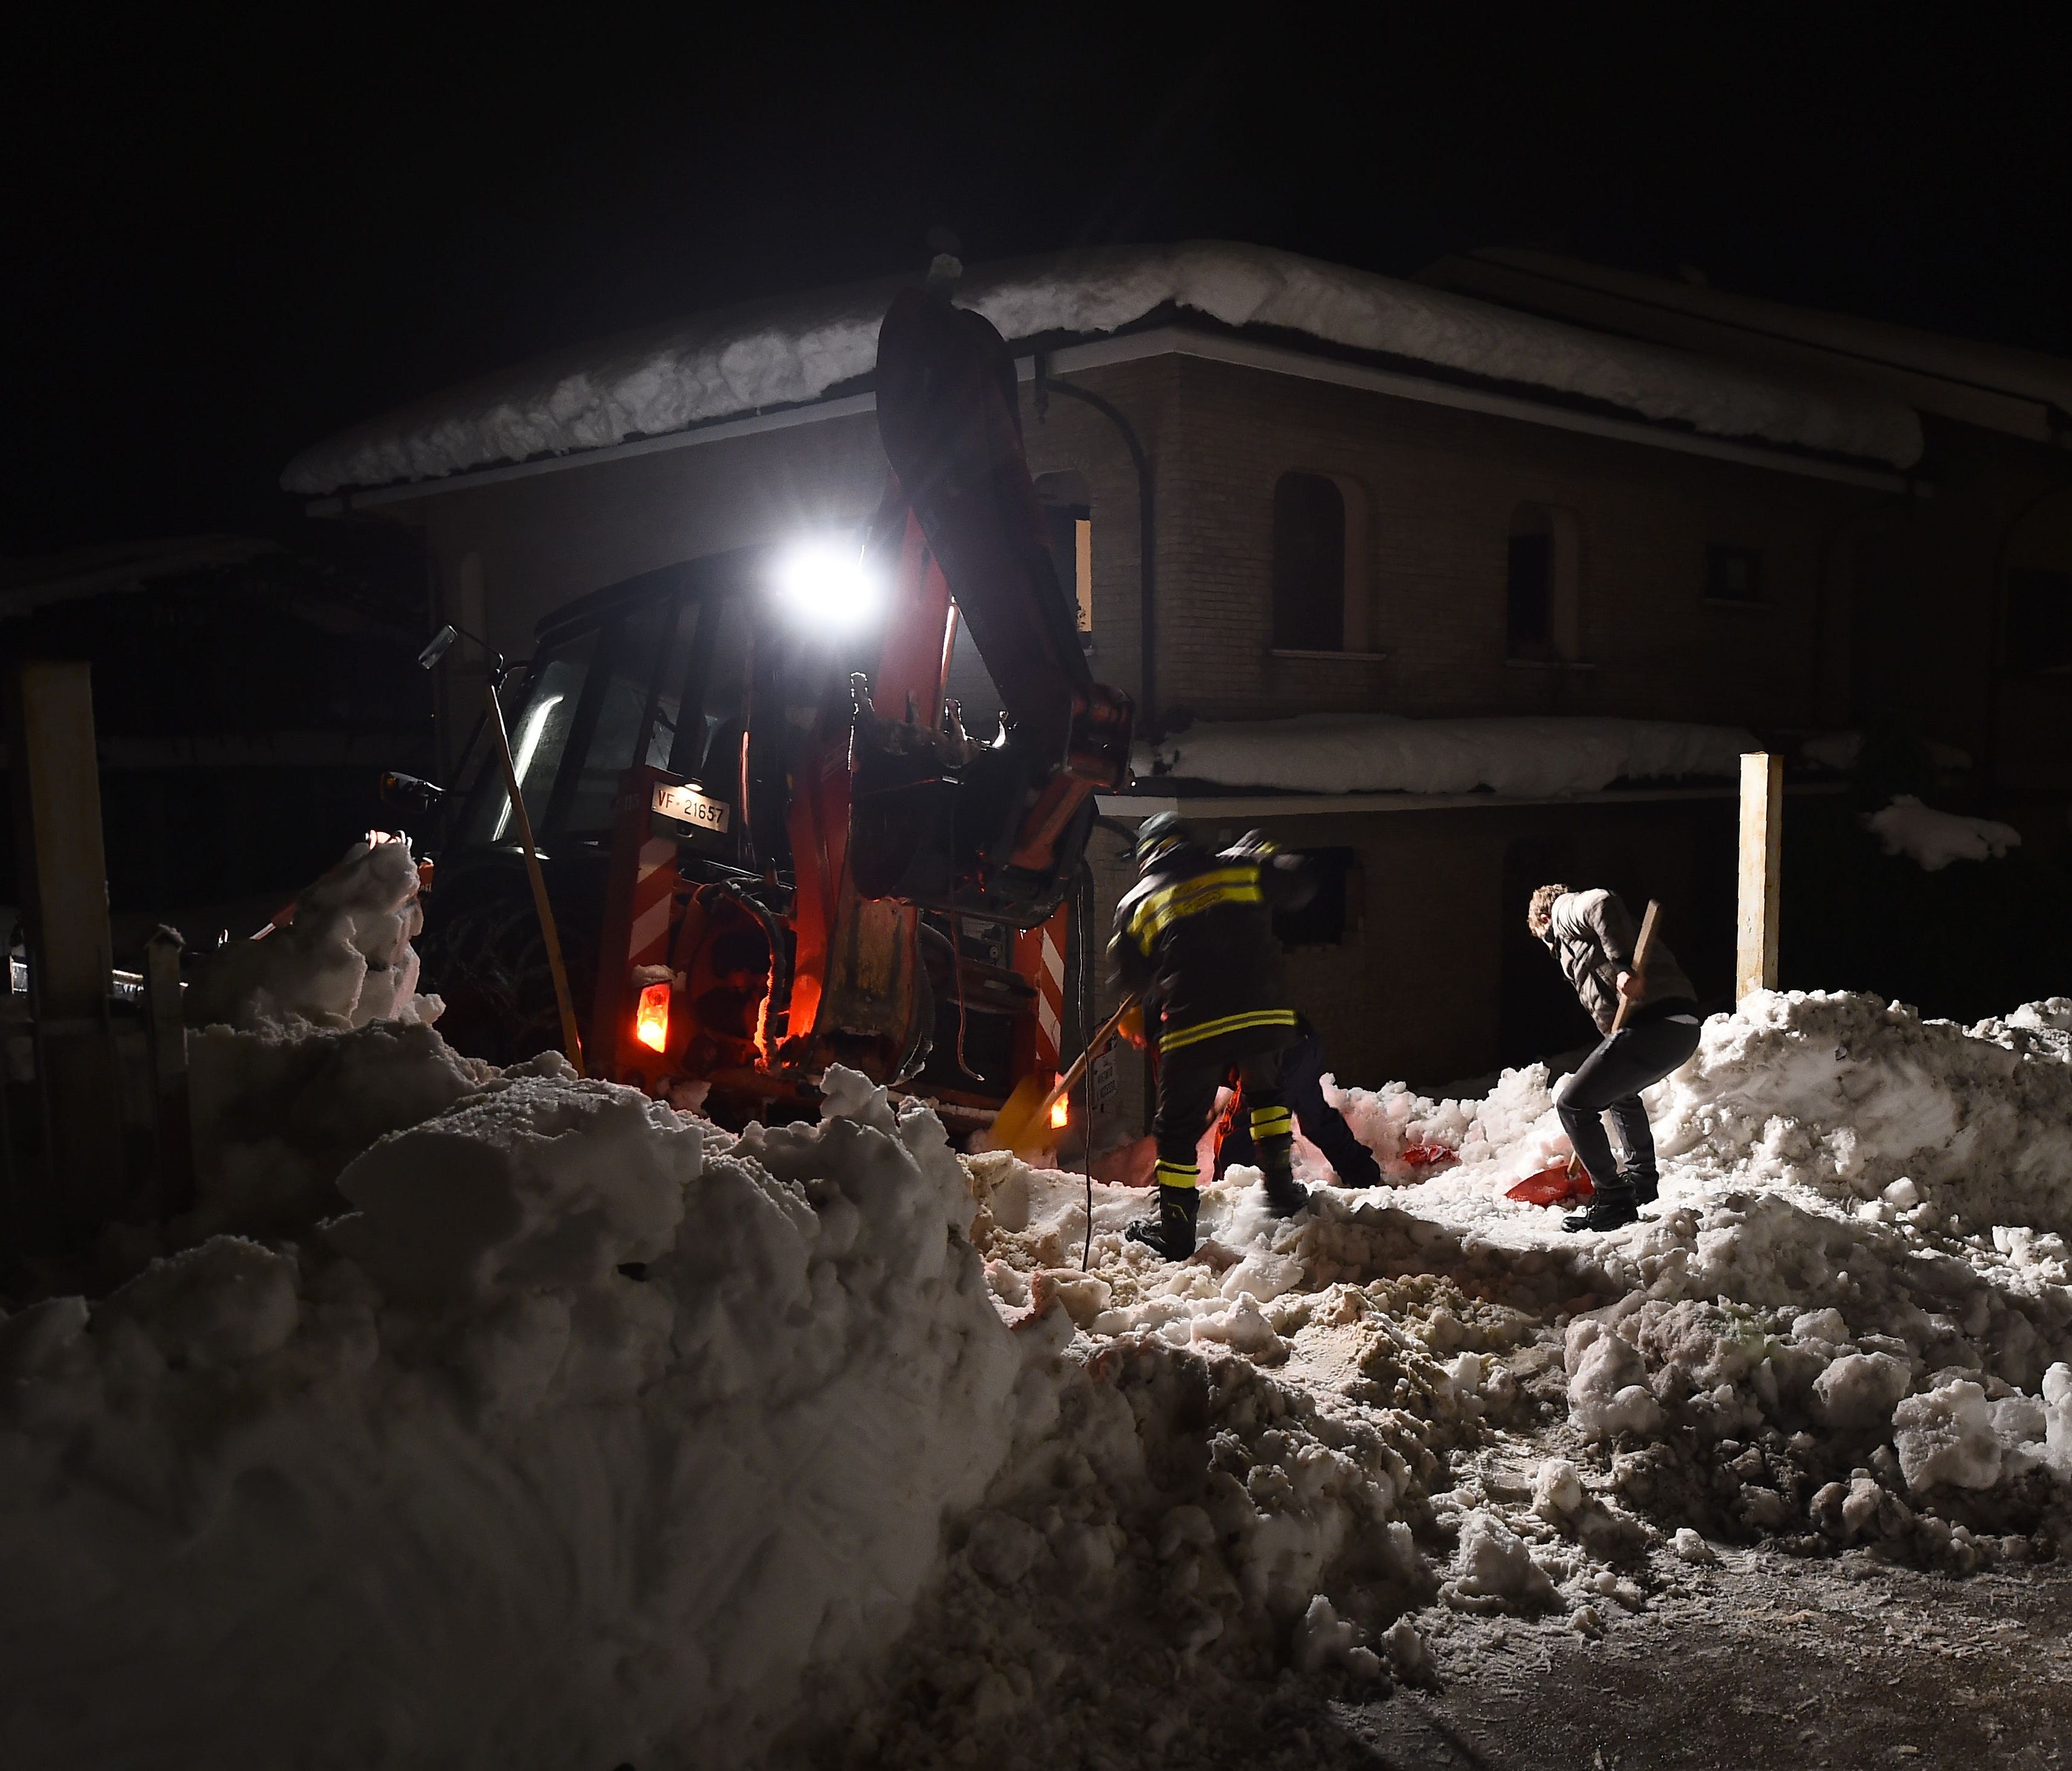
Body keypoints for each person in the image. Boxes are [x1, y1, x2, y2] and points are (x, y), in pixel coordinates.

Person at [1109, 814, 1315, 1258]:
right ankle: (1281, 1191)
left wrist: (1133, 1007)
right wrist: (1267, 857)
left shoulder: (1138, 901)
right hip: (1264, 1014)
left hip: (1195, 1027)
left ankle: (1177, 1233)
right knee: (1268, 1097)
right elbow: (1301, 887)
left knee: (1177, 1130)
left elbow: (1134, 975)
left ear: (1147, 855)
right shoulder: (1240, 867)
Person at [1526, 884, 1703, 1233]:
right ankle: (1640, 1181)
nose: (1553, 951)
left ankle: (1613, 1199)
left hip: (1654, 1024)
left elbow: (1601, 901)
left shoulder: (1564, 912)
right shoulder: (1582, 942)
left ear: (1544, 920)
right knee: (1619, 1093)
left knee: (1573, 1104)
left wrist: (1623, 965)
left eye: (1545, 941)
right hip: (1679, 1029)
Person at [1212, 1013, 1382, 1189]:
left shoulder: (1195, 1043)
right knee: (1316, 1119)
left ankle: (1232, 1199)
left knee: (1235, 1142)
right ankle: (1364, 1174)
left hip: (1276, 1053)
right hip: (1300, 1042)